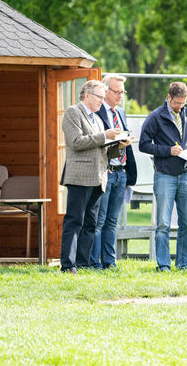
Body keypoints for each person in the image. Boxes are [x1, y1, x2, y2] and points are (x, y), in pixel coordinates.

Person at [139, 82, 187, 272]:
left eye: (183, 103)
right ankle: (163, 265)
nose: (180, 106)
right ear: (169, 97)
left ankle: (184, 264)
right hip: (165, 175)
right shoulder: (155, 117)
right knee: (162, 223)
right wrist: (167, 151)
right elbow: (144, 145)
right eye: (177, 103)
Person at [59, 80, 122, 273]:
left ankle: (83, 263)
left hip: (98, 176)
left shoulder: (98, 119)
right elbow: (77, 142)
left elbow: (101, 150)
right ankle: (68, 265)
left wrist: (118, 145)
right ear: (87, 95)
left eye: (104, 98)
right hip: (79, 176)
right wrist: (105, 136)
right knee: (74, 220)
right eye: (99, 97)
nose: (102, 101)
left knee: (90, 223)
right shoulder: (73, 112)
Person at [90, 74, 137, 270]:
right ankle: (95, 262)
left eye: (122, 92)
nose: (120, 95)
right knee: (99, 221)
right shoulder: (97, 112)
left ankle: (109, 262)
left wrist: (126, 142)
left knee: (112, 221)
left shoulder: (121, 113)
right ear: (106, 91)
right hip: (105, 171)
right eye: (117, 91)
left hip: (121, 172)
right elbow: (97, 142)